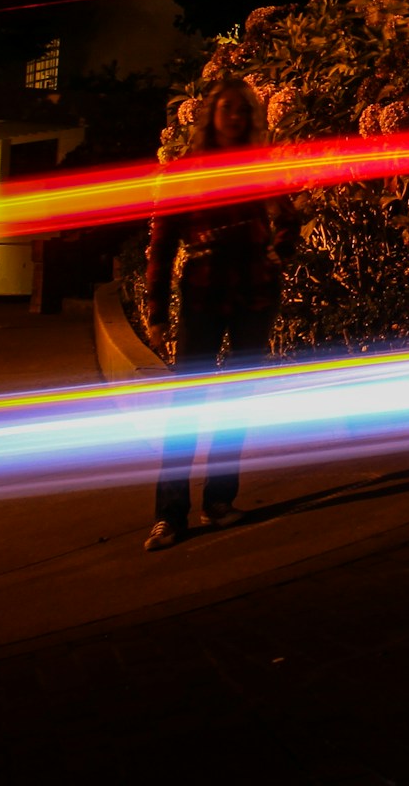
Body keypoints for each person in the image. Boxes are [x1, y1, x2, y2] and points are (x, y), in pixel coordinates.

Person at [141, 76, 287, 552]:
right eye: (230, 110)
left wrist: (278, 249)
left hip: (254, 293)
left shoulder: (259, 164)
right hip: (205, 292)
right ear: (211, 115)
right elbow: (162, 244)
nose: (238, 118)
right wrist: (156, 311)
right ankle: (169, 515)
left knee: (235, 403)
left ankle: (219, 502)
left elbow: (284, 219)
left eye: (245, 111)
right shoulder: (188, 171)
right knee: (187, 407)